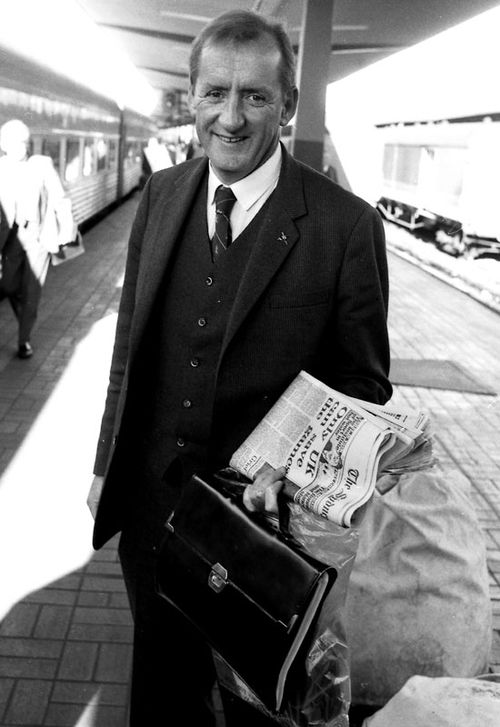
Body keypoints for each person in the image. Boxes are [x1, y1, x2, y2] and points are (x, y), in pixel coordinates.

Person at [87, 9, 392, 727]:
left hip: (263, 545)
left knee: (254, 713)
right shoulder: (162, 196)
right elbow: (128, 352)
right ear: (189, 97)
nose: (231, 116)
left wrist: (286, 468)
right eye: (214, 93)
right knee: (161, 701)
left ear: (286, 106)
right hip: (151, 519)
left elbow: (364, 388)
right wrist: (106, 464)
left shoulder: (346, 228)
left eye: (255, 96)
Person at [0, 119, 76, 358]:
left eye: (24, 142)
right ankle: (25, 317)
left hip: (38, 237)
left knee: (32, 292)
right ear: (4, 145)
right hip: (11, 238)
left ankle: (24, 341)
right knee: (8, 285)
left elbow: (60, 198)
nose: (21, 147)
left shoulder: (42, 165)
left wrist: (67, 232)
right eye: (15, 143)